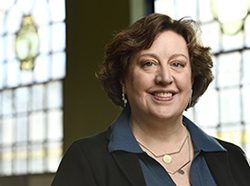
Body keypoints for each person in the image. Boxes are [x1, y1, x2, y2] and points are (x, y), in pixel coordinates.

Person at [51, 13, 250, 186]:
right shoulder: (87, 160)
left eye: (177, 64)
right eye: (149, 63)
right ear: (123, 79)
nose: (164, 77)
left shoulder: (233, 159)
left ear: (193, 77)